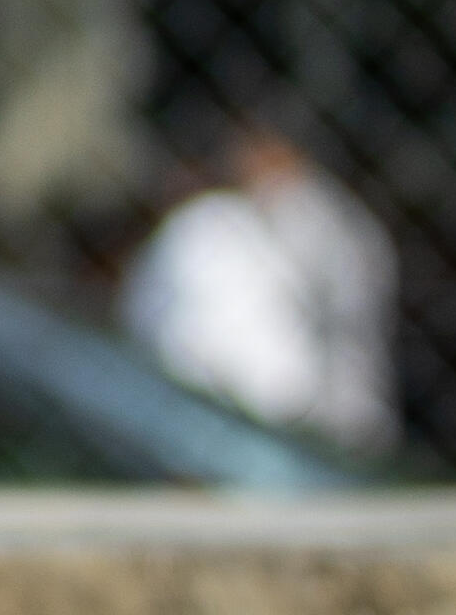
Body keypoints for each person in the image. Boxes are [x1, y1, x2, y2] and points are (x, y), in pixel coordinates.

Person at [120, 92, 401, 465]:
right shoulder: (217, 222)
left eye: (255, 146)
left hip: (324, 427)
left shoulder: (327, 224)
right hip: (236, 425)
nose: (242, 159)